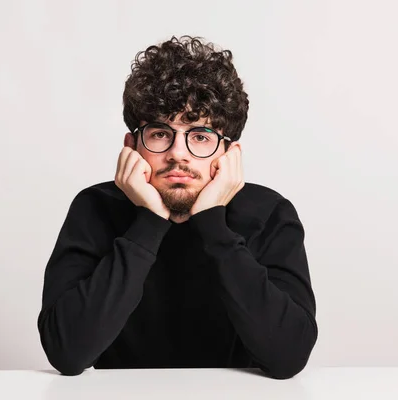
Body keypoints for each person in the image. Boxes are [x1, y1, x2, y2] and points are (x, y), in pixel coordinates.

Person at [37, 35, 318, 380]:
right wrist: (150, 221)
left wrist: (213, 224)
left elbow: (288, 356)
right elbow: (68, 352)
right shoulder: (94, 208)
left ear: (229, 154)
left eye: (200, 136)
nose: (178, 153)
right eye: (159, 133)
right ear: (132, 145)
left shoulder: (270, 214)